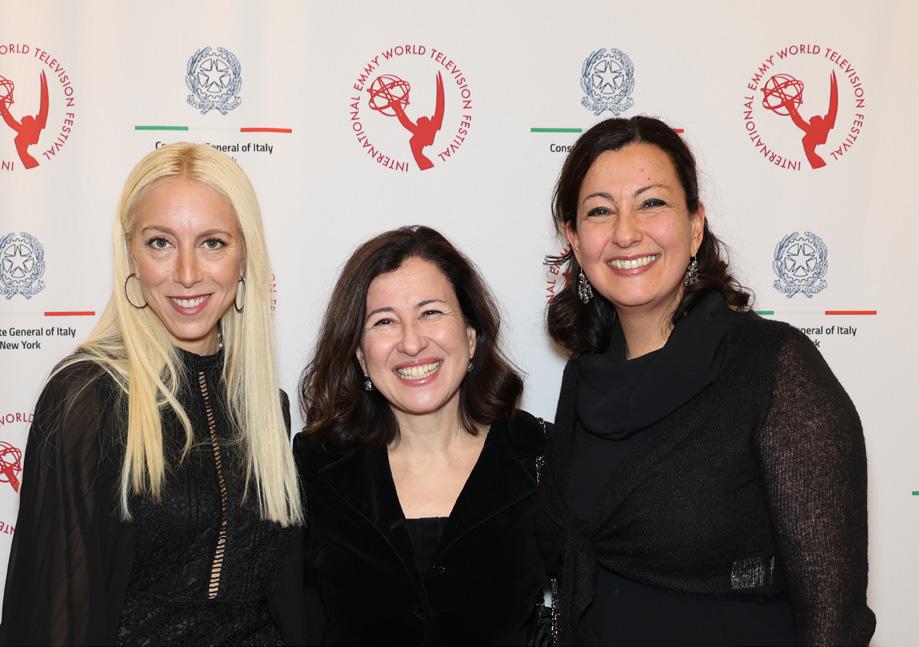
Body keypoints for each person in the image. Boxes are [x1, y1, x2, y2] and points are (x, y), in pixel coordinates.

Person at [536, 116, 875, 646]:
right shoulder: (582, 380)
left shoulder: (773, 367)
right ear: (576, 243)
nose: (625, 232)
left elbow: (835, 622)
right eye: (600, 210)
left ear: (695, 227)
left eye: (651, 203)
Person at [0, 143, 305, 646]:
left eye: (212, 243)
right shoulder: (87, 398)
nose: (186, 273)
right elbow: (54, 614)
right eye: (160, 242)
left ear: (245, 256)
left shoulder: (266, 408)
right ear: (131, 256)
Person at [295, 226, 546, 645]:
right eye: (385, 321)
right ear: (360, 355)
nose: (411, 343)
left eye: (430, 313)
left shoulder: (538, 455)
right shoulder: (314, 467)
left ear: (470, 336)